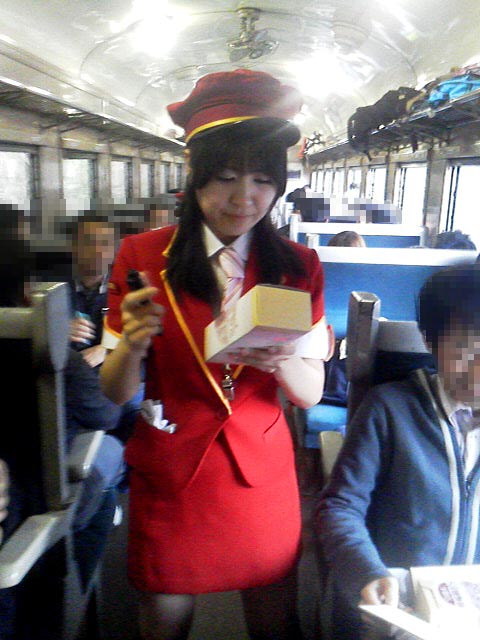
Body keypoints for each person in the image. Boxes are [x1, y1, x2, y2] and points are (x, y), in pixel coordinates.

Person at [101, 68, 331, 640]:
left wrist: (282, 362)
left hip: (260, 472)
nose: (244, 197)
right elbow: (114, 390)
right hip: (172, 469)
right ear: (194, 172)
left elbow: (311, 393)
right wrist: (132, 344)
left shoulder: (298, 266)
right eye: (225, 177)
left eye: (262, 179)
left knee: (275, 622)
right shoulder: (143, 256)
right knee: (162, 623)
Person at [315, 263, 480, 639]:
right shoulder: (390, 409)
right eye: (462, 347)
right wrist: (366, 572)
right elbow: (340, 507)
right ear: (429, 342)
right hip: (397, 606)